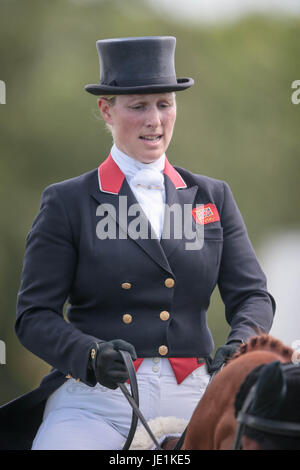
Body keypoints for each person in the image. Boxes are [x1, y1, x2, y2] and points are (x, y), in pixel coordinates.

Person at [0, 36, 275, 450]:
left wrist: (239, 346)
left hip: (196, 394)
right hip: (97, 400)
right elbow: (34, 315)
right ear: (106, 110)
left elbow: (253, 295)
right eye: (138, 106)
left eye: (164, 104)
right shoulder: (68, 201)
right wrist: (90, 355)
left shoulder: (211, 197)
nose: (155, 120)